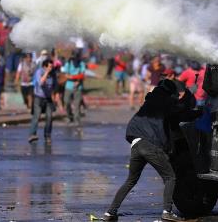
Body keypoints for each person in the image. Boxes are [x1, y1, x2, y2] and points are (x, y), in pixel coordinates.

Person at [103, 79, 185, 222]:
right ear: (170, 93)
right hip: (149, 145)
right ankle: (167, 212)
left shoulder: (149, 101)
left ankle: (110, 213)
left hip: (135, 143)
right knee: (170, 177)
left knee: (130, 180)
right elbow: (180, 115)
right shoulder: (167, 102)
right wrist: (199, 112)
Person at [28, 59, 56, 143]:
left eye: (52, 66)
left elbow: (54, 86)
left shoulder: (53, 74)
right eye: (49, 67)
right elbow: (40, 83)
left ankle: (47, 135)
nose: (51, 68)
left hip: (48, 98)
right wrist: (46, 73)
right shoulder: (39, 72)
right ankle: (32, 134)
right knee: (37, 116)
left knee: (49, 117)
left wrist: (54, 96)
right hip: (38, 97)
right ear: (44, 67)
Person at [62, 52, 86, 125]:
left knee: (77, 104)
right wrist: (72, 77)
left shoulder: (81, 64)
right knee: (66, 102)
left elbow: (82, 75)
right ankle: (69, 116)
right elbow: (65, 75)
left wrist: (77, 81)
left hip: (78, 87)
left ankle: (77, 119)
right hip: (68, 86)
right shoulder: (68, 64)